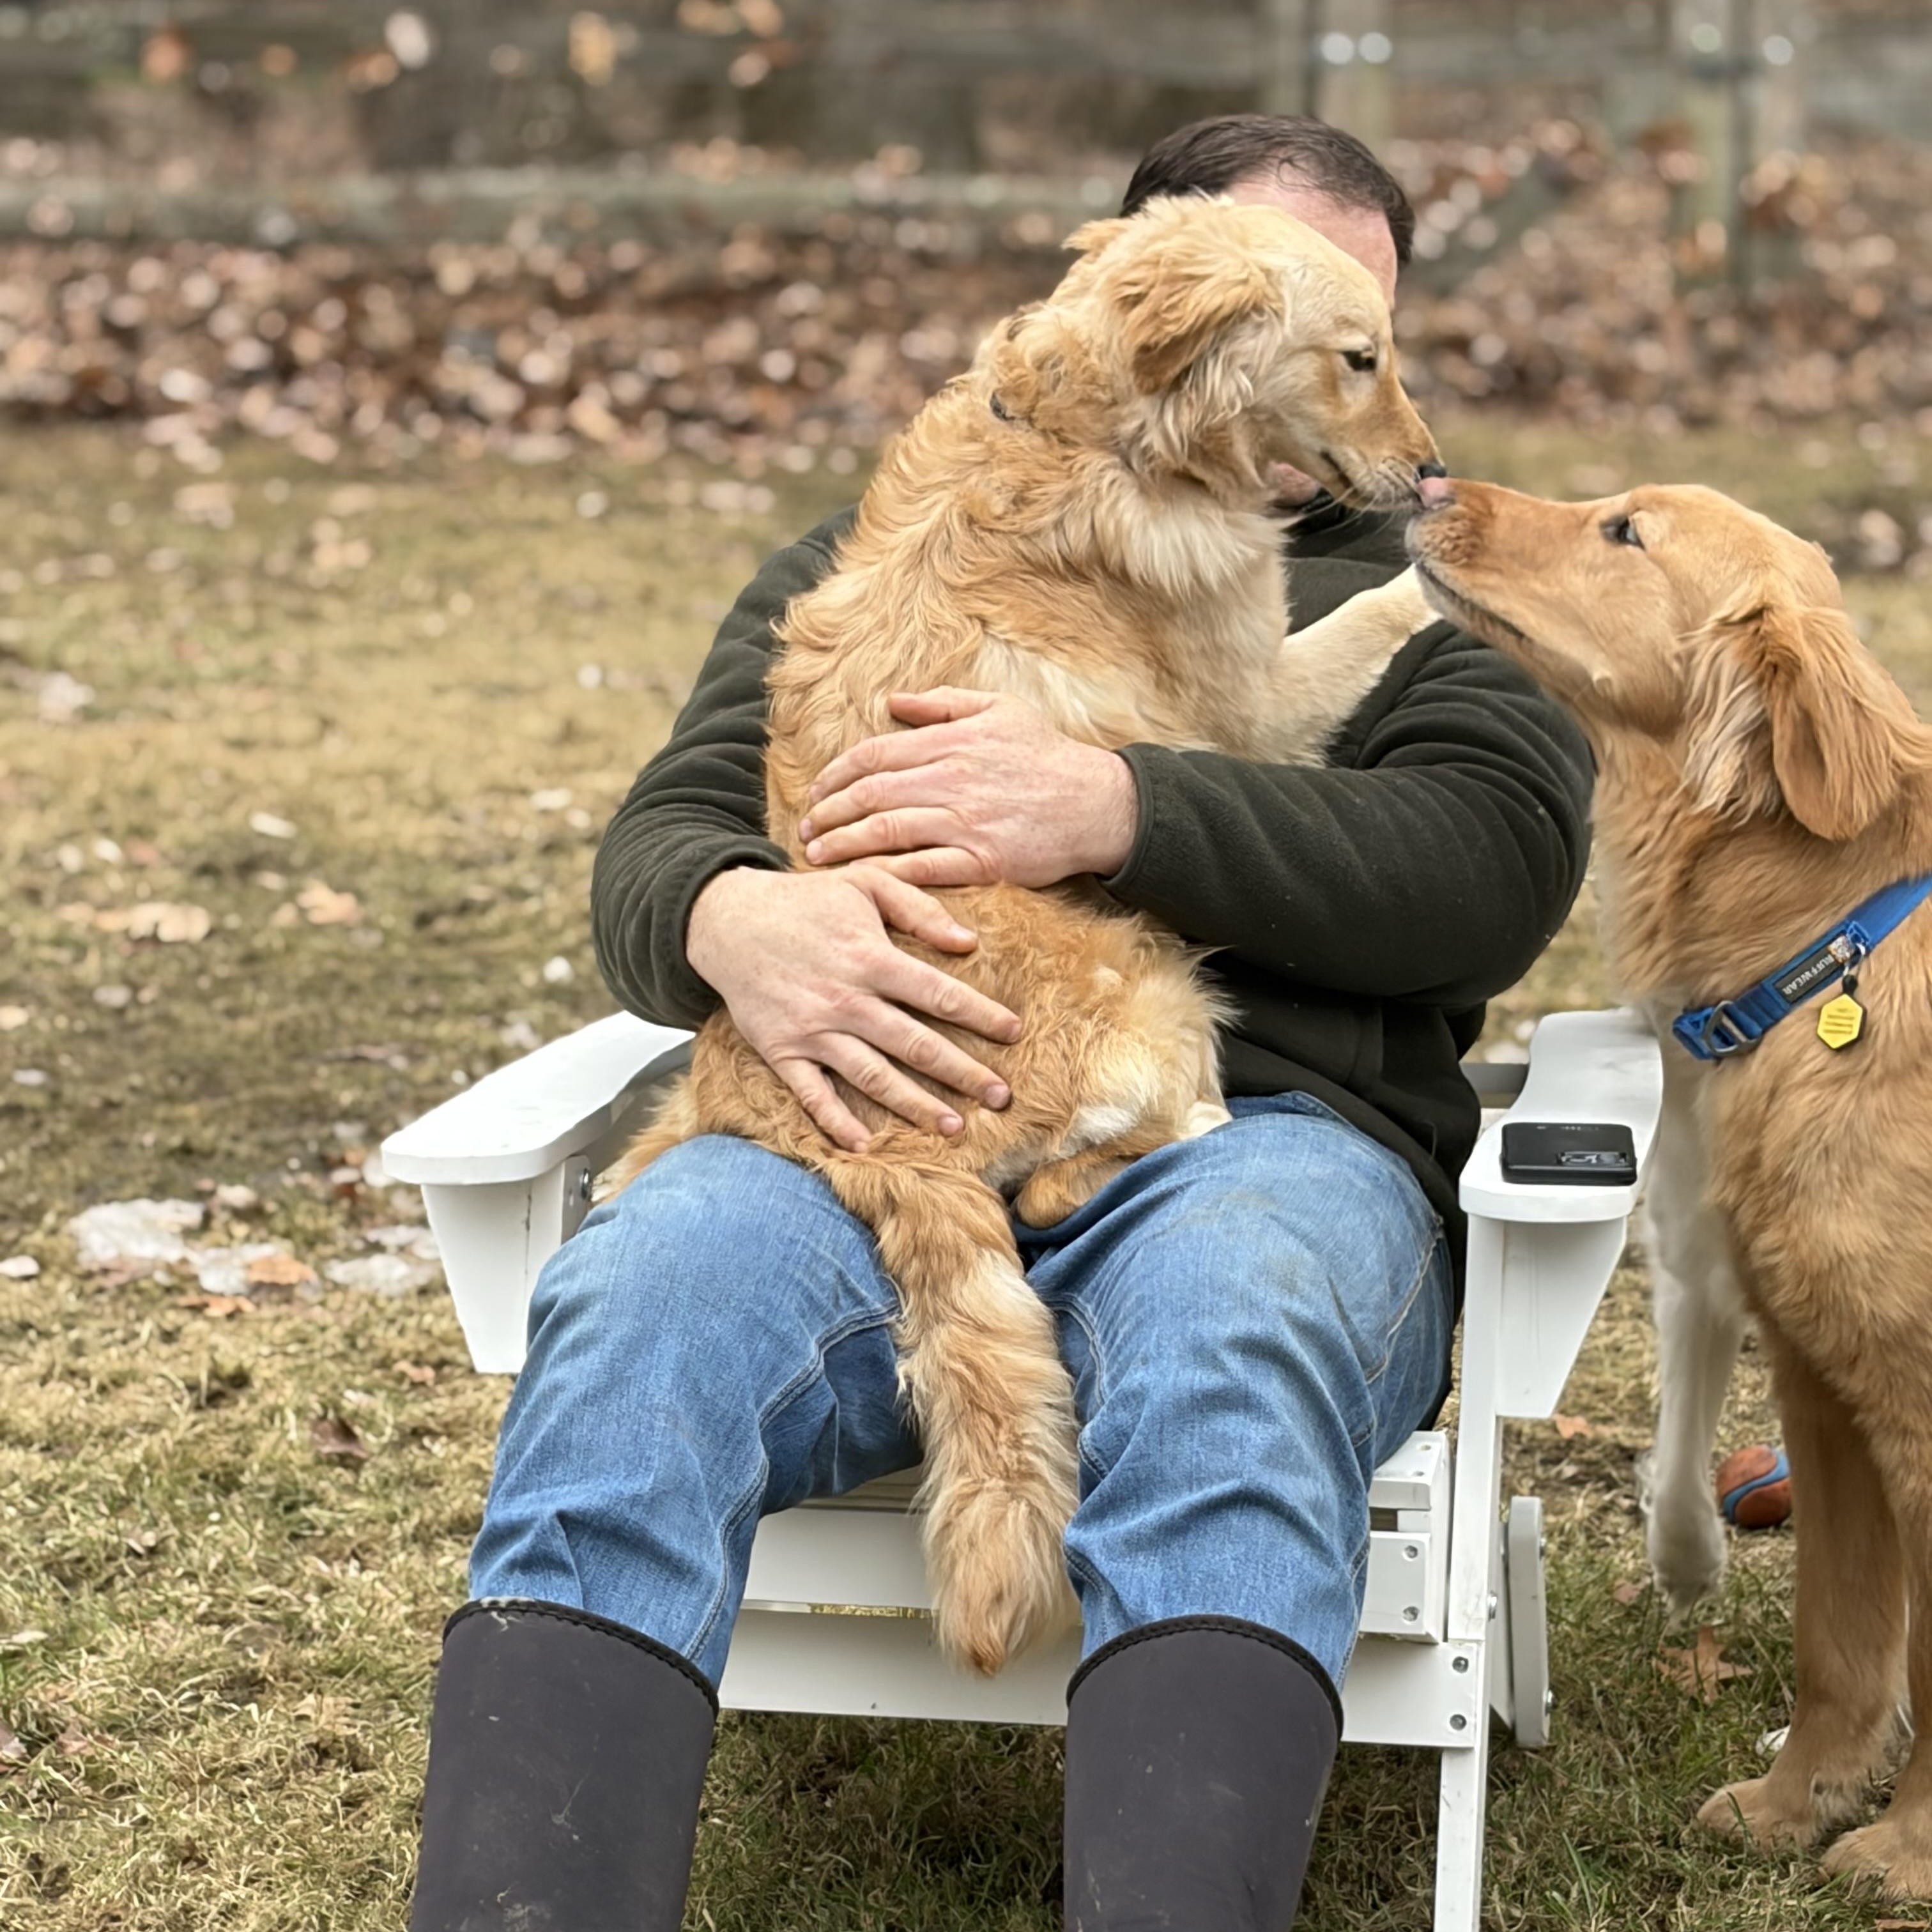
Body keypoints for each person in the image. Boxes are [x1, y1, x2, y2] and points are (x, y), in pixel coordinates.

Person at [408, 114, 1593, 1932]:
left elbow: (1491, 868)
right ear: (1152, 310)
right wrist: (746, 919)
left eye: (1376, 323)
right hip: (871, 1104)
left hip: (1260, 1143)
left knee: (1234, 1322)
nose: (1359, 387)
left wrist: (1117, 808)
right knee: (645, 1301)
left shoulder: (1427, 576)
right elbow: (667, 839)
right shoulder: (923, 531)